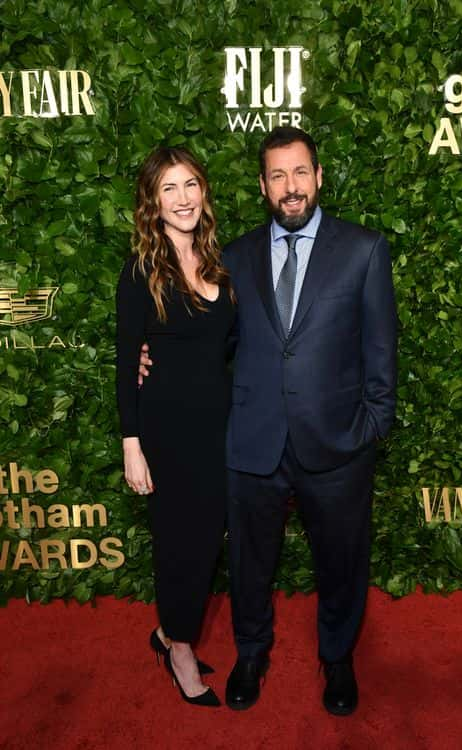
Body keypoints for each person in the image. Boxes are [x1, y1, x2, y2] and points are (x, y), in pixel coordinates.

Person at [140, 126, 398, 715]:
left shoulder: (363, 250)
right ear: (262, 185)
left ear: (319, 177)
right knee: (249, 566)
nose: (290, 187)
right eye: (277, 175)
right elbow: (209, 342)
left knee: (341, 561)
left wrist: (370, 427)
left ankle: (337, 658)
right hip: (254, 441)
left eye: (300, 172)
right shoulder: (232, 257)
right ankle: (251, 653)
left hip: (336, 446)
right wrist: (148, 355)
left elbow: (382, 353)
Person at [116, 145, 235, 708]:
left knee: (209, 542)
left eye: (190, 185)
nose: (183, 199)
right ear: (153, 202)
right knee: (178, 546)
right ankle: (180, 648)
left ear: (203, 192)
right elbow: (124, 362)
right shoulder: (142, 269)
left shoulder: (219, 263)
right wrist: (131, 444)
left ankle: (167, 631)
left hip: (219, 430)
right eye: (169, 189)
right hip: (165, 433)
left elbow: (230, 348)